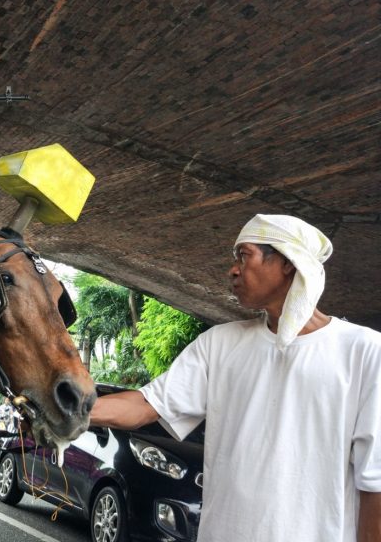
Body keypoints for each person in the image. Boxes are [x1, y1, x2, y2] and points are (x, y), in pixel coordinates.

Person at [90, 214, 381, 542]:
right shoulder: (220, 344)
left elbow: (375, 483)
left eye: (245, 255)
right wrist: (66, 411)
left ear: (287, 262)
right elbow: (145, 405)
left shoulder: (365, 352)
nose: (233, 269)